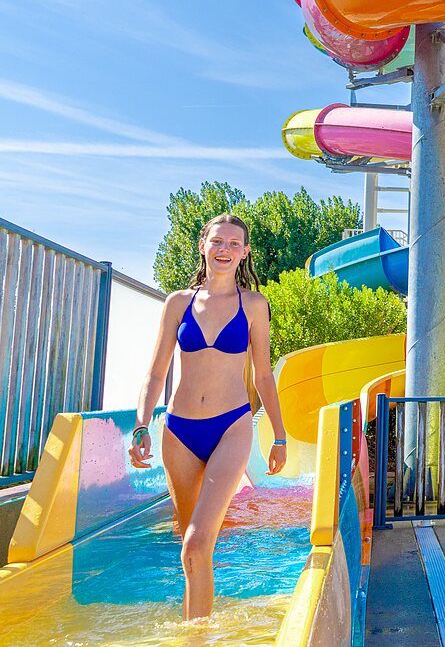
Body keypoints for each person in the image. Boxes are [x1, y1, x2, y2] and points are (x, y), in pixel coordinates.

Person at [127, 215, 288, 620]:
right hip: (179, 431)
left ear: (245, 253)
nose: (225, 250)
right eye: (218, 241)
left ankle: (197, 634)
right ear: (203, 245)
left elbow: (264, 374)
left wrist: (280, 435)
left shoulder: (253, 305)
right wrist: (142, 423)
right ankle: (194, 628)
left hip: (230, 427)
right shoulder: (177, 303)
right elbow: (156, 371)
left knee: (197, 545)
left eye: (235, 244)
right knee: (190, 547)